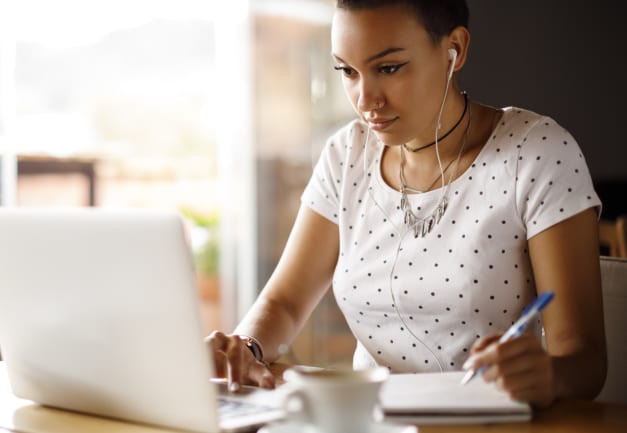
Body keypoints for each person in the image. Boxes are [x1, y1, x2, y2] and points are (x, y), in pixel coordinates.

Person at [205, 0, 606, 409]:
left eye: (389, 68)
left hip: (487, 420)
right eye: (347, 71)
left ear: (455, 50)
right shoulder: (347, 154)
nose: (365, 100)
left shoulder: (535, 153)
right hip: (368, 419)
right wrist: (247, 349)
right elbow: (283, 303)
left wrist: (548, 375)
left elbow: (585, 360)